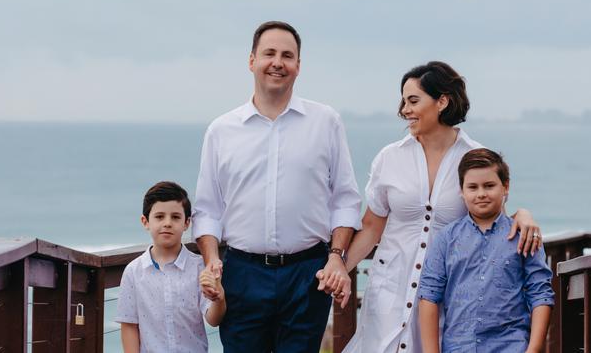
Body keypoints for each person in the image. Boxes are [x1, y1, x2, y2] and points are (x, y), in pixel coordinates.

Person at [333, 61, 542, 352]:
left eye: (413, 100)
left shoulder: (474, 156)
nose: (404, 109)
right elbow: (371, 226)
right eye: (403, 101)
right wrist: (340, 269)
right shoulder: (389, 157)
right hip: (389, 291)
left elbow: (490, 221)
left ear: (442, 101)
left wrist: (523, 214)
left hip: (447, 298)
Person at [192, 21, 362, 352]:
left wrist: (337, 257)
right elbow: (208, 208)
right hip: (242, 272)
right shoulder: (221, 130)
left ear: (298, 66)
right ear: (252, 60)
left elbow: (345, 199)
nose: (278, 62)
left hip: (307, 273)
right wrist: (212, 259)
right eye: (269, 53)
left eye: (288, 55)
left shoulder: (325, 122)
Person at [418, 148, 554, 352]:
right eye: (472, 187)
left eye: (489, 186)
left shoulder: (523, 236)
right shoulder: (446, 239)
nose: (481, 194)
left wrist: (533, 350)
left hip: (512, 346)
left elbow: (541, 293)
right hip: (459, 347)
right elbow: (429, 296)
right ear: (461, 191)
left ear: (505, 187)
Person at [116, 181, 226, 353]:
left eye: (175, 217)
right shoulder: (133, 272)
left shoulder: (199, 267)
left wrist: (218, 297)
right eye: (159, 217)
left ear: (187, 223)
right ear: (145, 221)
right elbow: (129, 324)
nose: (167, 223)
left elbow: (213, 319)